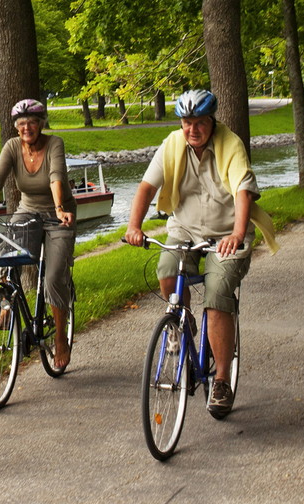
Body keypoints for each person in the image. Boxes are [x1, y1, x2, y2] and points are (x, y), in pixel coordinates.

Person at [123, 89, 278, 419]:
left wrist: (237, 234)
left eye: (199, 123)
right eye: (186, 122)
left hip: (226, 234)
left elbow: (242, 190)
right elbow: (147, 187)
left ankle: (221, 379)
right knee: (166, 270)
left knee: (217, 294)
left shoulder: (230, 144)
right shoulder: (172, 145)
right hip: (185, 230)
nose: (192, 129)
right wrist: (134, 226)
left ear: (212, 121)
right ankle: (183, 321)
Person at [0, 98, 77, 369]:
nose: (27, 128)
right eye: (22, 123)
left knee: (52, 279)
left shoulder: (54, 144)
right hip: (28, 211)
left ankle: (61, 338)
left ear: (41, 124)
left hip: (57, 216)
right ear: (16, 128)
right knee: (7, 253)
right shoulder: (12, 147)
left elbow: (56, 177)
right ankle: (6, 308)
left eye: (32, 123)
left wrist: (60, 209)